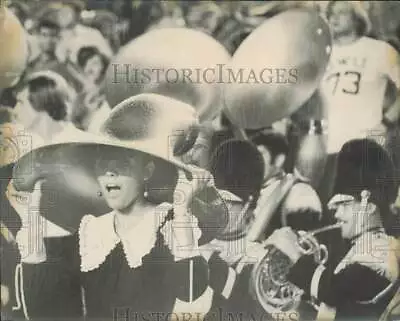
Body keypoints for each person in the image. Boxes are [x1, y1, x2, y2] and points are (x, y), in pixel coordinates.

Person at [7, 93, 238, 321]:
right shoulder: (91, 234)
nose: (110, 171)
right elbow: (50, 312)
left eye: (123, 161)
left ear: (147, 171)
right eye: (103, 161)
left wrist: (181, 210)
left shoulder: (171, 226)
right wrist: (34, 245)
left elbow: (189, 289)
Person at [267, 139, 400, 321]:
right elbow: (340, 309)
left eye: (343, 204)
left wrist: (296, 255)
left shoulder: (381, 252)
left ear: (368, 207)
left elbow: (335, 291)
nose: (336, 213)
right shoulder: (363, 247)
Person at [318, 0, 400, 205]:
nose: (333, 18)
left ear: (357, 17)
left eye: (341, 12)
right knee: (333, 212)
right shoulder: (321, 54)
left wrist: (387, 123)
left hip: (367, 145)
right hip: (328, 148)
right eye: (330, 13)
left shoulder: (380, 50)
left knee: (366, 210)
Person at [13, 70, 79, 145]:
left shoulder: (78, 143)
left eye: (21, 103)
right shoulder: (33, 146)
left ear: (42, 102)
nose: (14, 111)